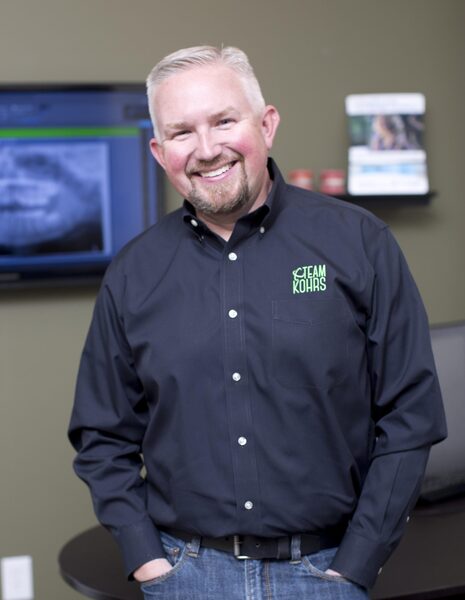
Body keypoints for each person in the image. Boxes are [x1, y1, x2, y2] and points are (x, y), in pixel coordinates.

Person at [69, 45, 446, 599]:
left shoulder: (360, 243)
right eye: (181, 132)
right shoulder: (132, 273)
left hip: (325, 572)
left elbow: (411, 412)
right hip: (186, 576)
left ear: (266, 124)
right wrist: (147, 561)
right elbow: (102, 434)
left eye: (224, 121)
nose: (206, 149)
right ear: (159, 151)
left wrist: (357, 563)